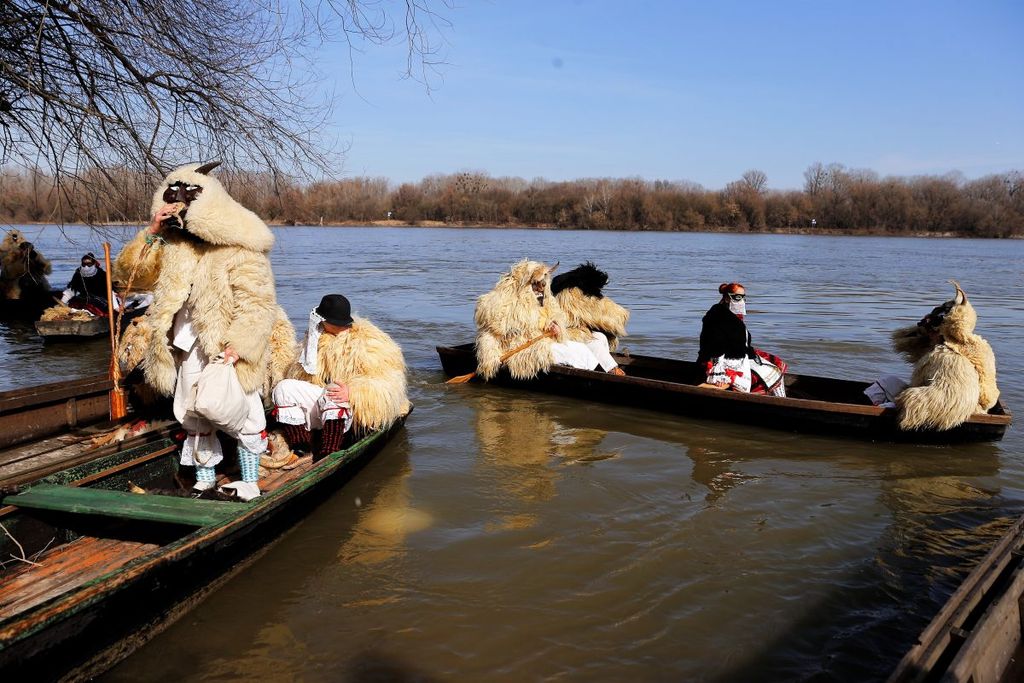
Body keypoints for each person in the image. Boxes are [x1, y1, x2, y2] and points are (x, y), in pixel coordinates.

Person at [122, 161, 283, 501]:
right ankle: (204, 480)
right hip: (186, 344)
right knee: (192, 412)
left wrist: (238, 346)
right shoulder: (174, 245)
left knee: (244, 412)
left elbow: (257, 303)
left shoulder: (240, 246)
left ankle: (250, 481)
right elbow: (132, 277)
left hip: (227, 346)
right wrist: (151, 232)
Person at [272, 294, 409, 457]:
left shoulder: (369, 341)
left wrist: (353, 392)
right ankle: (301, 446)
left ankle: (329, 451)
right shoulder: (315, 338)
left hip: (352, 410)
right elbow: (300, 373)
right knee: (284, 388)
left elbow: (388, 381)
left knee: (334, 389)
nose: (318, 322)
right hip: (322, 403)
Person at [890, 281, 999, 431]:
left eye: (933, 331)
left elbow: (937, 396)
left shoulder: (944, 356)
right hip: (972, 407)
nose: (929, 334)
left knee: (891, 388)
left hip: (951, 411)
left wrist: (904, 402)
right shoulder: (974, 348)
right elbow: (901, 343)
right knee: (891, 384)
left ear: (944, 330)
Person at [474, 259, 604, 381]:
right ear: (526, 283)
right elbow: (497, 328)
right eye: (536, 284)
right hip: (522, 348)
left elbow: (553, 317)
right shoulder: (503, 302)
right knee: (577, 351)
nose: (540, 288)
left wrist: (554, 326)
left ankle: (600, 373)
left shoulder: (545, 301)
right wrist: (530, 328)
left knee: (588, 345)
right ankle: (596, 377)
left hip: (545, 341)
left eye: (542, 283)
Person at [697, 282, 787, 396]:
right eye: (737, 297)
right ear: (726, 298)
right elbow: (715, 346)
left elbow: (743, 342)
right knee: (768, 376)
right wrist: (718, 371)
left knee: (776, 369)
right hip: (722, 361)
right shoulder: (717, 317)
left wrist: (752, 356)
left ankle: (779, 401)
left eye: (743, 297)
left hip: (738, 357)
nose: (741, 301)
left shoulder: (734, 316)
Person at [550, 262, 629, 376]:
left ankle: (604, 368)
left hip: (571, 331)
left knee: (600, 337)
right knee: (594, 341)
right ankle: (611, 370)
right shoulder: (573, 295)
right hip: (562, 333)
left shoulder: (569, 290)